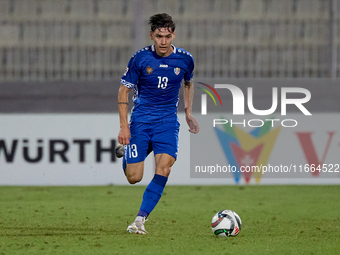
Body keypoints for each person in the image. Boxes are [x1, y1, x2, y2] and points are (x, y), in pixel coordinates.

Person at [115, 13, 199, 234]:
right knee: (134, 177)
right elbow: (124, 90)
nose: (163, 41)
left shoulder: (185, 59)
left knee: (165, 167)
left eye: (167, 36)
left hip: (167, 123)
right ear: (151, 35)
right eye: (159, 36)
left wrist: (188, 112)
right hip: (141, 120)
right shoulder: (140, 58)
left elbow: (188, 83)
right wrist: (124, 126)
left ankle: (140, 220)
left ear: (173, 35)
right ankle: (130, 151)